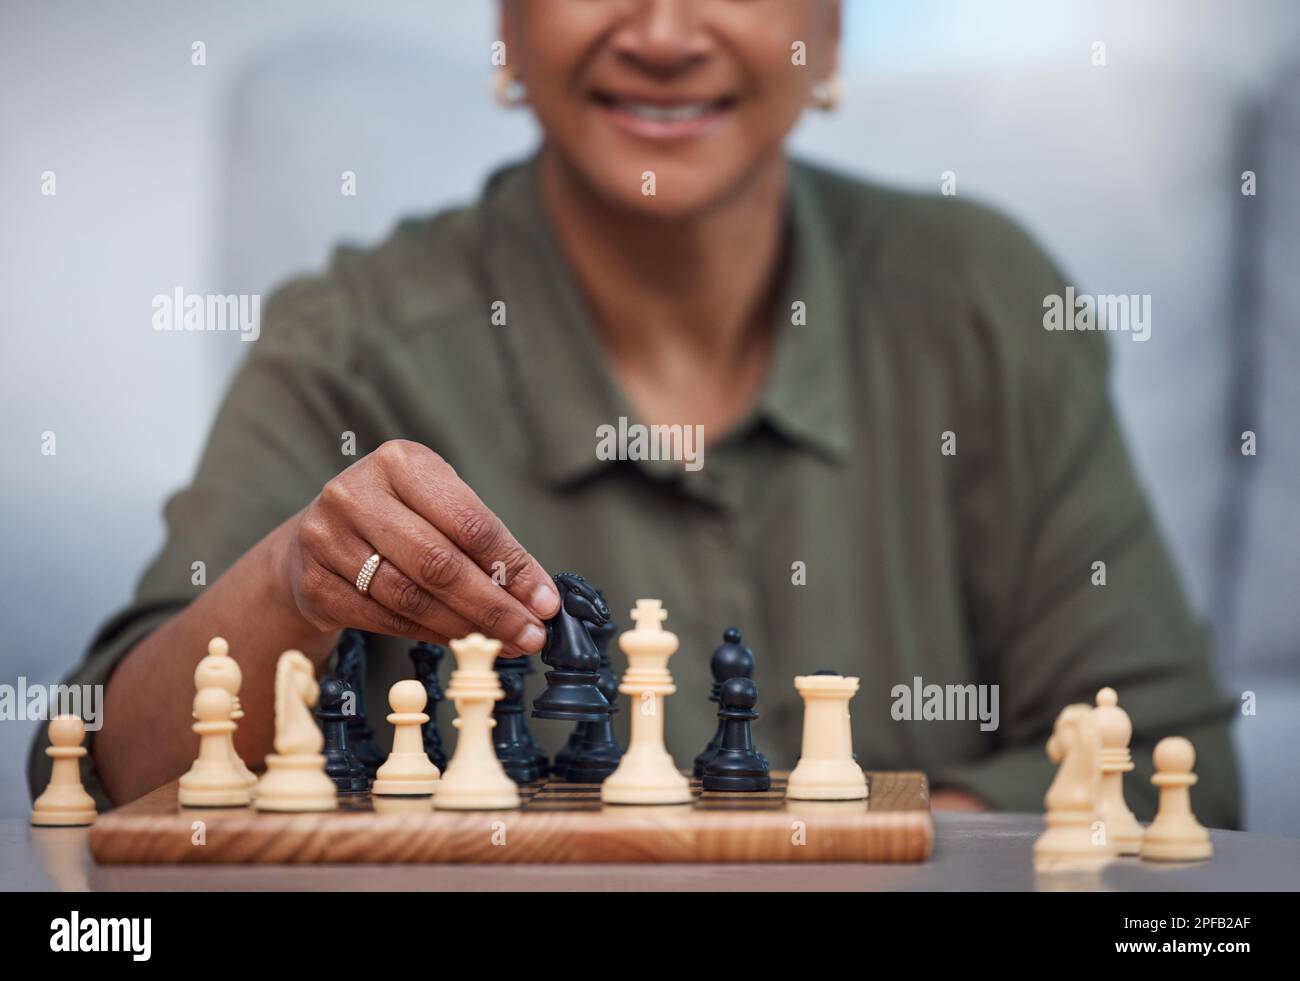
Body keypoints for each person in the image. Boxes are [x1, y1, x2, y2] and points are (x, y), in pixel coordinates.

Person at [29, 0, 1239, 824]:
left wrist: (865, 849)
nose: (662, 33)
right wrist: (292, 584)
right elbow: (92, 778)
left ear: (830, 29)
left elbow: (1178, 757)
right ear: (505, 24)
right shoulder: (345, 341)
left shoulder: (987, 300)